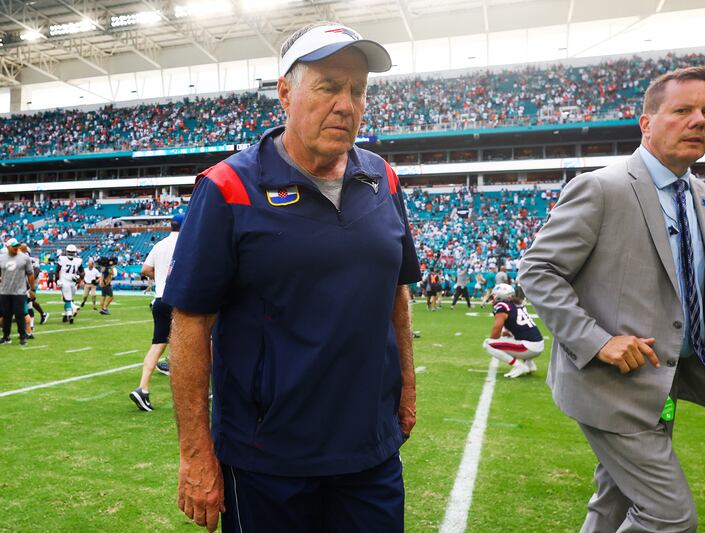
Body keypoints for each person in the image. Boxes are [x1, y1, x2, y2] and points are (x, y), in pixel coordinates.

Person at [162, 22, 420, 532]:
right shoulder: (228, 187)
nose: (346, 104)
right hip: (266, 461)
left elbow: (397, 292)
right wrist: (195, 455)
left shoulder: (383, 178)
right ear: (285, 91)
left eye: (357, 90)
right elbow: (190, 322)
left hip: (370, 454)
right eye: (328, 86)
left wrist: (407, 389)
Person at [518, 66, 705, 532]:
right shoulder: (602, 188)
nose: (699, 121)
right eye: (682, 110)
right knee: (670, 517)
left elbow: (699, 279)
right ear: (646, 123)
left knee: (614, 505)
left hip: (661, 386)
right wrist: (598, 340)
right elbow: (537, 271)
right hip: (610, 388)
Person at [129, 214, 184, 412]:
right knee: (201, 342)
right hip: (181, 300)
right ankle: (208, 388)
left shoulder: (159, 244)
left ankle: (143, 388)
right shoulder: (188, 242)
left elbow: (145, 269)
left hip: (160, 299)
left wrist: (161, 277)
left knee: (157, 345)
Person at [482, 283, 544, 378]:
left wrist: (496, 340)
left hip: (528, 347)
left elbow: (496, 329)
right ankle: (529, 364)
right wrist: (505, 334)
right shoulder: (517, 304)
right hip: (538, 344)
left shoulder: (502, 306)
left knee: (488, 344)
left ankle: (519, 366)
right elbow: (519, 327)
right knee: (508, 336)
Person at [0, 238, 35, 345]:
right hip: (5, 291)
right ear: (8, 247)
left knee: (20, 314)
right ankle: (6, 336)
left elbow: (30, 274)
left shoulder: (24, 258)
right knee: (6, 315)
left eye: (17, 246)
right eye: (13, 246)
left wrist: (32, 289)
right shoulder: (1, 258)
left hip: (19, 291)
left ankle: (22, 337)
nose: (16, 248)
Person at [56, 244, 83, 324]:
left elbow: (57, 270)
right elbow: (82, 272)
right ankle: (65, 315)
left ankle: (70, 314)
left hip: (65, 282)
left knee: (67, 300)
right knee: (68, 299)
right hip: (73, 283)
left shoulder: (62, 259)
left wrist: (57, 280)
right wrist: (80, 278)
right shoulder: (78, 260)